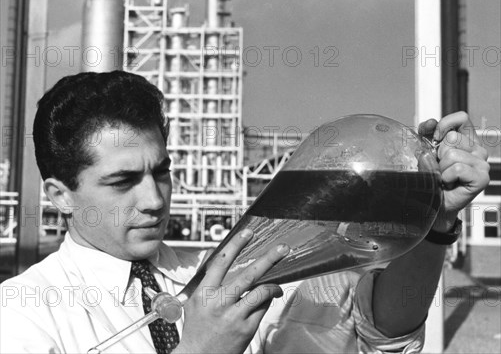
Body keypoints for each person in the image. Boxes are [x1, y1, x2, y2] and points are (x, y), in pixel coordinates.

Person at [0, 71, 490, 354]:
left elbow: (379, 338)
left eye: (162, 171)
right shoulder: (24, 313)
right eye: (122, 181)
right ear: (59, 195)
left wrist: (434, 221)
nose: (154, 199)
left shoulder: (222, 271)